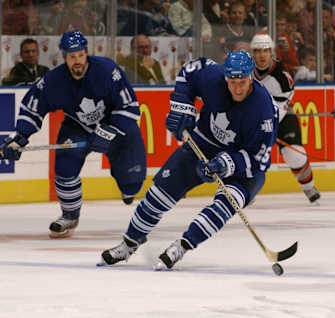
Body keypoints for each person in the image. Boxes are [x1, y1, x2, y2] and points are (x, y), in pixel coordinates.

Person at [99, 51, 279, 269]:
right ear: (225, 78)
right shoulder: (212, 77)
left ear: (252, 77)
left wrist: (227, 164)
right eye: (232, 82)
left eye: (242, 82)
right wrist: (182, 108)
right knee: (159, 193)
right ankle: (129, 243)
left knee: (224, 205)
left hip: (243, 169)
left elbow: (259, 161)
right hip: (202, 145)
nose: (237, 88)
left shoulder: (264, 111)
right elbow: (188, 72)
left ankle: (182, 246)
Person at [0, 30, 146, 239]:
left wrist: (109, 131)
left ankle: (128, 186)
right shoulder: (54, 80)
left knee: (132, 183)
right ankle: (70, 215)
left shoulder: (107, 70)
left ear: (86, 53)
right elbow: (32, 109)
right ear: (64, 57)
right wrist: (19, 137)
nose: (76, 61)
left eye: (80, 55)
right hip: (79, 128)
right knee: (65, 166)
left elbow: (130, 107)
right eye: (71, 56)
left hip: (116, 127)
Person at [250, 34, 321, 205]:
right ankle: (245, 190)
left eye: (265, 51)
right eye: (258, 51)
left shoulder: (282, 77)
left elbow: (279, 110)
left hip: (281, 118)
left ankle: (309, 187)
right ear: (252, 53)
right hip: (251, 119)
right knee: (246, 154)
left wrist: (268, 129)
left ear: (271, 52)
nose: (262, 55)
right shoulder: (244, 71)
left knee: (294, 154)